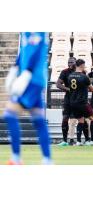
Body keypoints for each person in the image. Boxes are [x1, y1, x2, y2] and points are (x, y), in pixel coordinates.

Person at [3, 32, 52, 164]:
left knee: (10, 114)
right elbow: (24, 51)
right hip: (31, 79)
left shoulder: (39, 31)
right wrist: (15, 68)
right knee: (39, 120)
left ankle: (16, 158)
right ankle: (47, 160)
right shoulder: (25, 32)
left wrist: (28, 71)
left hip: (32, 80)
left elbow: (37, 50)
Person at [68, 59, 93, 146]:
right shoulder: (84, 76)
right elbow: (92, 88)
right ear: (82, 65)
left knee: (80, 120)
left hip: (73, 102)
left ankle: (79, 141)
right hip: (82, 102)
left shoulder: (70, 76)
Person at [56, 57, 77, 146]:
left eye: (72, 62)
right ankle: (64, 140)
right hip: (68, 99)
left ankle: (73, 140)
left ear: (75, 63)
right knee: (65, 118)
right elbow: (58, 84)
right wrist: (68, 89)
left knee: (74, 120)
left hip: (77, 99)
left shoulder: (80, 72)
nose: (70, 64)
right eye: (68, 62)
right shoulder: (64, 72)